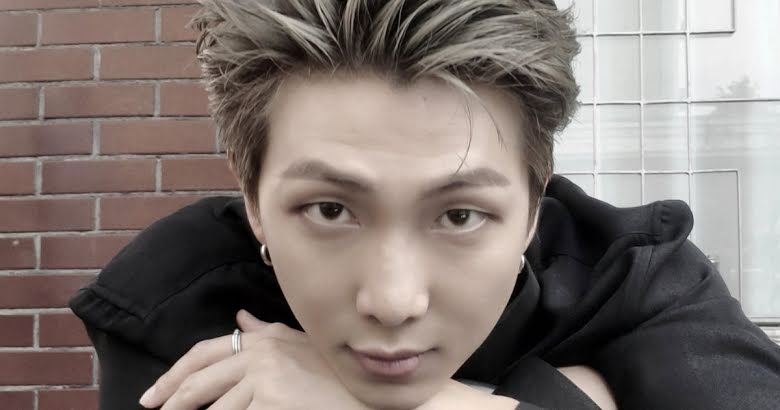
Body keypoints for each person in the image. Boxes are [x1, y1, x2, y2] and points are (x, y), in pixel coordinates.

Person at [68, 0, 780, 409]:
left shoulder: (635, 277)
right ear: (253, 198)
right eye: (330, 210)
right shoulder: (173, 302)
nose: (392, 302)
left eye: (459, 215)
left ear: (535, 206)